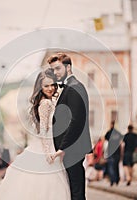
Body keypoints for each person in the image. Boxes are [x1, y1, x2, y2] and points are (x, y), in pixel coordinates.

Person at [0, 68, 70, 200]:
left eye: (52, 85)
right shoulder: (46, 103)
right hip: (46, 148)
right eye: (46, 85)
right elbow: (44, 130)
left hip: (40, 147)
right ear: (40, 87)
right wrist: (48, 153)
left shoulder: (43, 102)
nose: (50, 88)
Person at [48, 53, 92, 200]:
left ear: (68, 67)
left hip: (72, 148)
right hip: (70, 148)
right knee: (73, 190)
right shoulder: (69, 87)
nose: (55, 73)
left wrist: (63, 148)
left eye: (58, 69)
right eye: (53, 70)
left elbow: (76, 120)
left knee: (76, 192)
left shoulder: (74, 87)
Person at [105, 121, 123, 186]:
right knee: (116, 166)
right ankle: (116, 179)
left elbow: (106, 139)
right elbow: (121, 141)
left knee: (111, 167)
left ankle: (112, 180)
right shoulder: (118, 133)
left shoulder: (109, 133)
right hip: (117, 151)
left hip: (111, 152)